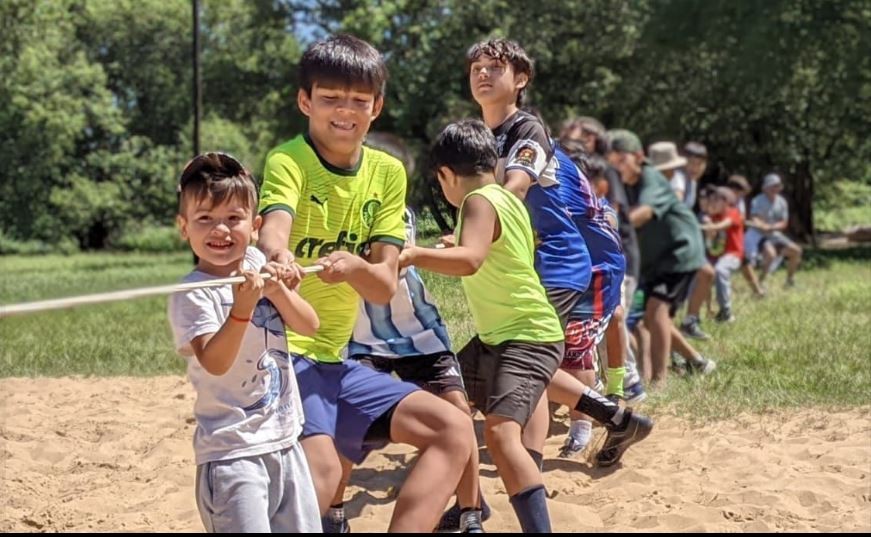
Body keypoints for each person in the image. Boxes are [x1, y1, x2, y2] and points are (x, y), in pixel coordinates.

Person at [256, 35, 474, 533]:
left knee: (453, 429)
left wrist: (353, 267)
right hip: (288, 356)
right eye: (330, 98)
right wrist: (278, 255)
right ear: (305, 102)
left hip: (337, 360)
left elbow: (379, 286)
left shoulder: (388, 171)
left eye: (359, 101)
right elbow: (274, 230)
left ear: (377, 107)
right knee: (326, 472)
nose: (345, 111)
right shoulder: (288, 160)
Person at [325, 134, 485, 534]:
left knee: (458, 417)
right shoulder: (335, 211)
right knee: (345, 431)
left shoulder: (398, 214)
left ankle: (470, 514)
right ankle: (335, 512)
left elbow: (386, 265)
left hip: (419, 336)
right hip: (362, 338)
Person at [168, 152, 321, 533]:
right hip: (232, 453)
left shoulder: (255, 260)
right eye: (205, 219)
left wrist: (280, 292)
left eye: (233, 219)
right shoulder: (192, 294)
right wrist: (242, 309)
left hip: (285, 441)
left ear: (254, 226)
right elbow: (215, 362)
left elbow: (310, 325)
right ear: (184, 227)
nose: (220, 230)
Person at [609, 129, 716, 386]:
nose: (617, 167)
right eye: (613, 162)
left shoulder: (650, 177)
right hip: (653, 258)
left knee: (656, 311)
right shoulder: (623, 183)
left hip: (679, 251)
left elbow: (644, 212)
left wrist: (610, 228)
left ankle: (660, 382)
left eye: (622, 160)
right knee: (649, 318)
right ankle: (694, 363)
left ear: (639, 156)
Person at [749, 173, 802, 288]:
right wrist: (762, 225)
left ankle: (790, 280)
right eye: (772, 186)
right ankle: (761, 281)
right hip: (758, 235)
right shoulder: (757, 201)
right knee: (770, 255)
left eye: (777, 186)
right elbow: (754, 218)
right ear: (765, 188)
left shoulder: (782, 202)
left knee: (796, 251)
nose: (775, 188)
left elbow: (784, 222)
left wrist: (771, 227)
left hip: (774, 234)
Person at [700, 187, 744, 322]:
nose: (712, 203)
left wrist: (702, 226)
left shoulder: (734, 212)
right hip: (716, 256)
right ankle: (706, 310)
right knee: (702, 271)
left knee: (721, 270)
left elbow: (724, 225)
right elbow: (711, 237)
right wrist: (707, 222)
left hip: (733, 255)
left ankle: (726, 312)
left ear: (725, 202)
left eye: (715, 200)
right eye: (711, 201)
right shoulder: (712, 217)